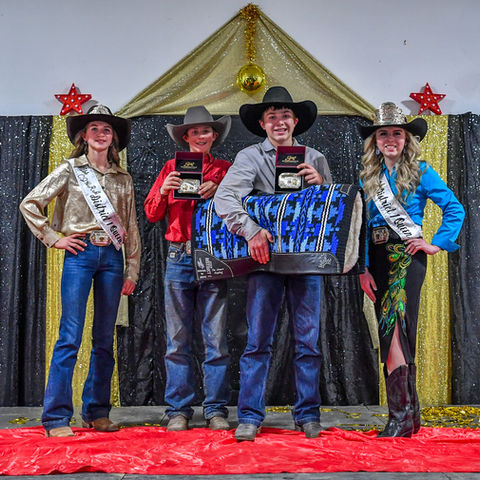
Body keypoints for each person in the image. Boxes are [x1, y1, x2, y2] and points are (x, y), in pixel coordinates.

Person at [214, 86, 332, 441]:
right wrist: (250, 231)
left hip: (306, 263)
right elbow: (225, 197)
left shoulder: (315, 157)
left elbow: (330, 212)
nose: (279, 122)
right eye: (272, 116)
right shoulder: (250, 157)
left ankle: (308, 414)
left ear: (295, 122)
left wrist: (321, 185)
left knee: (308, 342)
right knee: (257, 341)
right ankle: (250, 416)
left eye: (285, 116)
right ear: (263, 124)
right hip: (264, 261)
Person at [20, 105, 141, 437]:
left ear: (113, 138)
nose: (101, 134)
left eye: (106, 129)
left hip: (113, 256)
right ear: (83, 136)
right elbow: (30, 203)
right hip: (81, 252)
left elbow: (131, 225)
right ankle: (57, 417)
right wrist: (53, 238)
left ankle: (96, 412)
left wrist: (132, 269)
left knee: (104, 338)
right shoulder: (70, 170)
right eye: (94, 128)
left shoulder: (123, 178)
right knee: (70, 335)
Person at [357, 102, 465, 438]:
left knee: (394, 328)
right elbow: (363, 227)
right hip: (376, 258)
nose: (390, 139)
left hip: (406, 255)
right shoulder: (369, 177)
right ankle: (410, 415)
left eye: (397, 133)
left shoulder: (421, 170)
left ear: (406, 139)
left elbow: (454, 208)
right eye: (383, 133)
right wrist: (362, 268)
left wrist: (436, 243)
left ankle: (399, 418)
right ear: (375, 140)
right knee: (393, 329)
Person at [144, 106, 232, 431]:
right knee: (177, 340)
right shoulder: (171, 168)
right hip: (178, 256)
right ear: (186, 137)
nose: (200, 136)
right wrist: (164, 190)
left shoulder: (226, 169)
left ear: (214, 135)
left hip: (214, 256)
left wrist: (221, 190)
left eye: (205, 131)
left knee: (216, 339)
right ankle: (178, 409)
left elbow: (244, 206)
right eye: (194, 132)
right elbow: (151, 214)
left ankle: (216, 409)